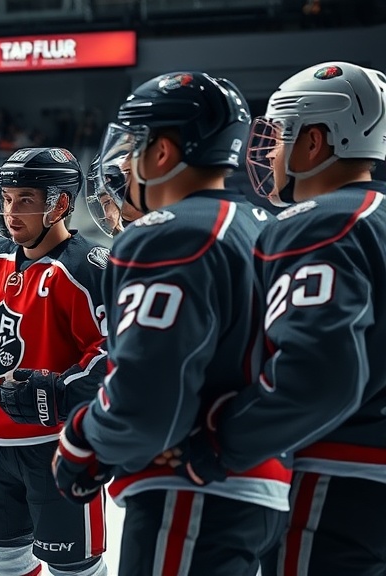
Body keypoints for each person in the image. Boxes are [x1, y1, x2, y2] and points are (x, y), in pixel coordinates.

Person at [50, 71, 290, 576]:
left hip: (190, 490)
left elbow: (148, 390)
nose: (125, 159)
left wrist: (83, 442)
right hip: (265, 487)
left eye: (135, 143)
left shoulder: (166, 234)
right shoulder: (265, 226)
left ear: (162, 152)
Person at [175, 61, 386, 575]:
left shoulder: (319, 223)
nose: (269, 151)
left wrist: (224, 436)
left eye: (280, 135)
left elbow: (319, 377)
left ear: (315, 140)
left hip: (336, 476)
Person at [0, 147, 110, 576]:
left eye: (26, 200)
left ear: (61, 204)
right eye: (7, 198)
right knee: (4, 559)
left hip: (58, 449)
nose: (11, 212)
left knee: (74, 566)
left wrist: (60, 392)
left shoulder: (87, 269)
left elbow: (111, 355)